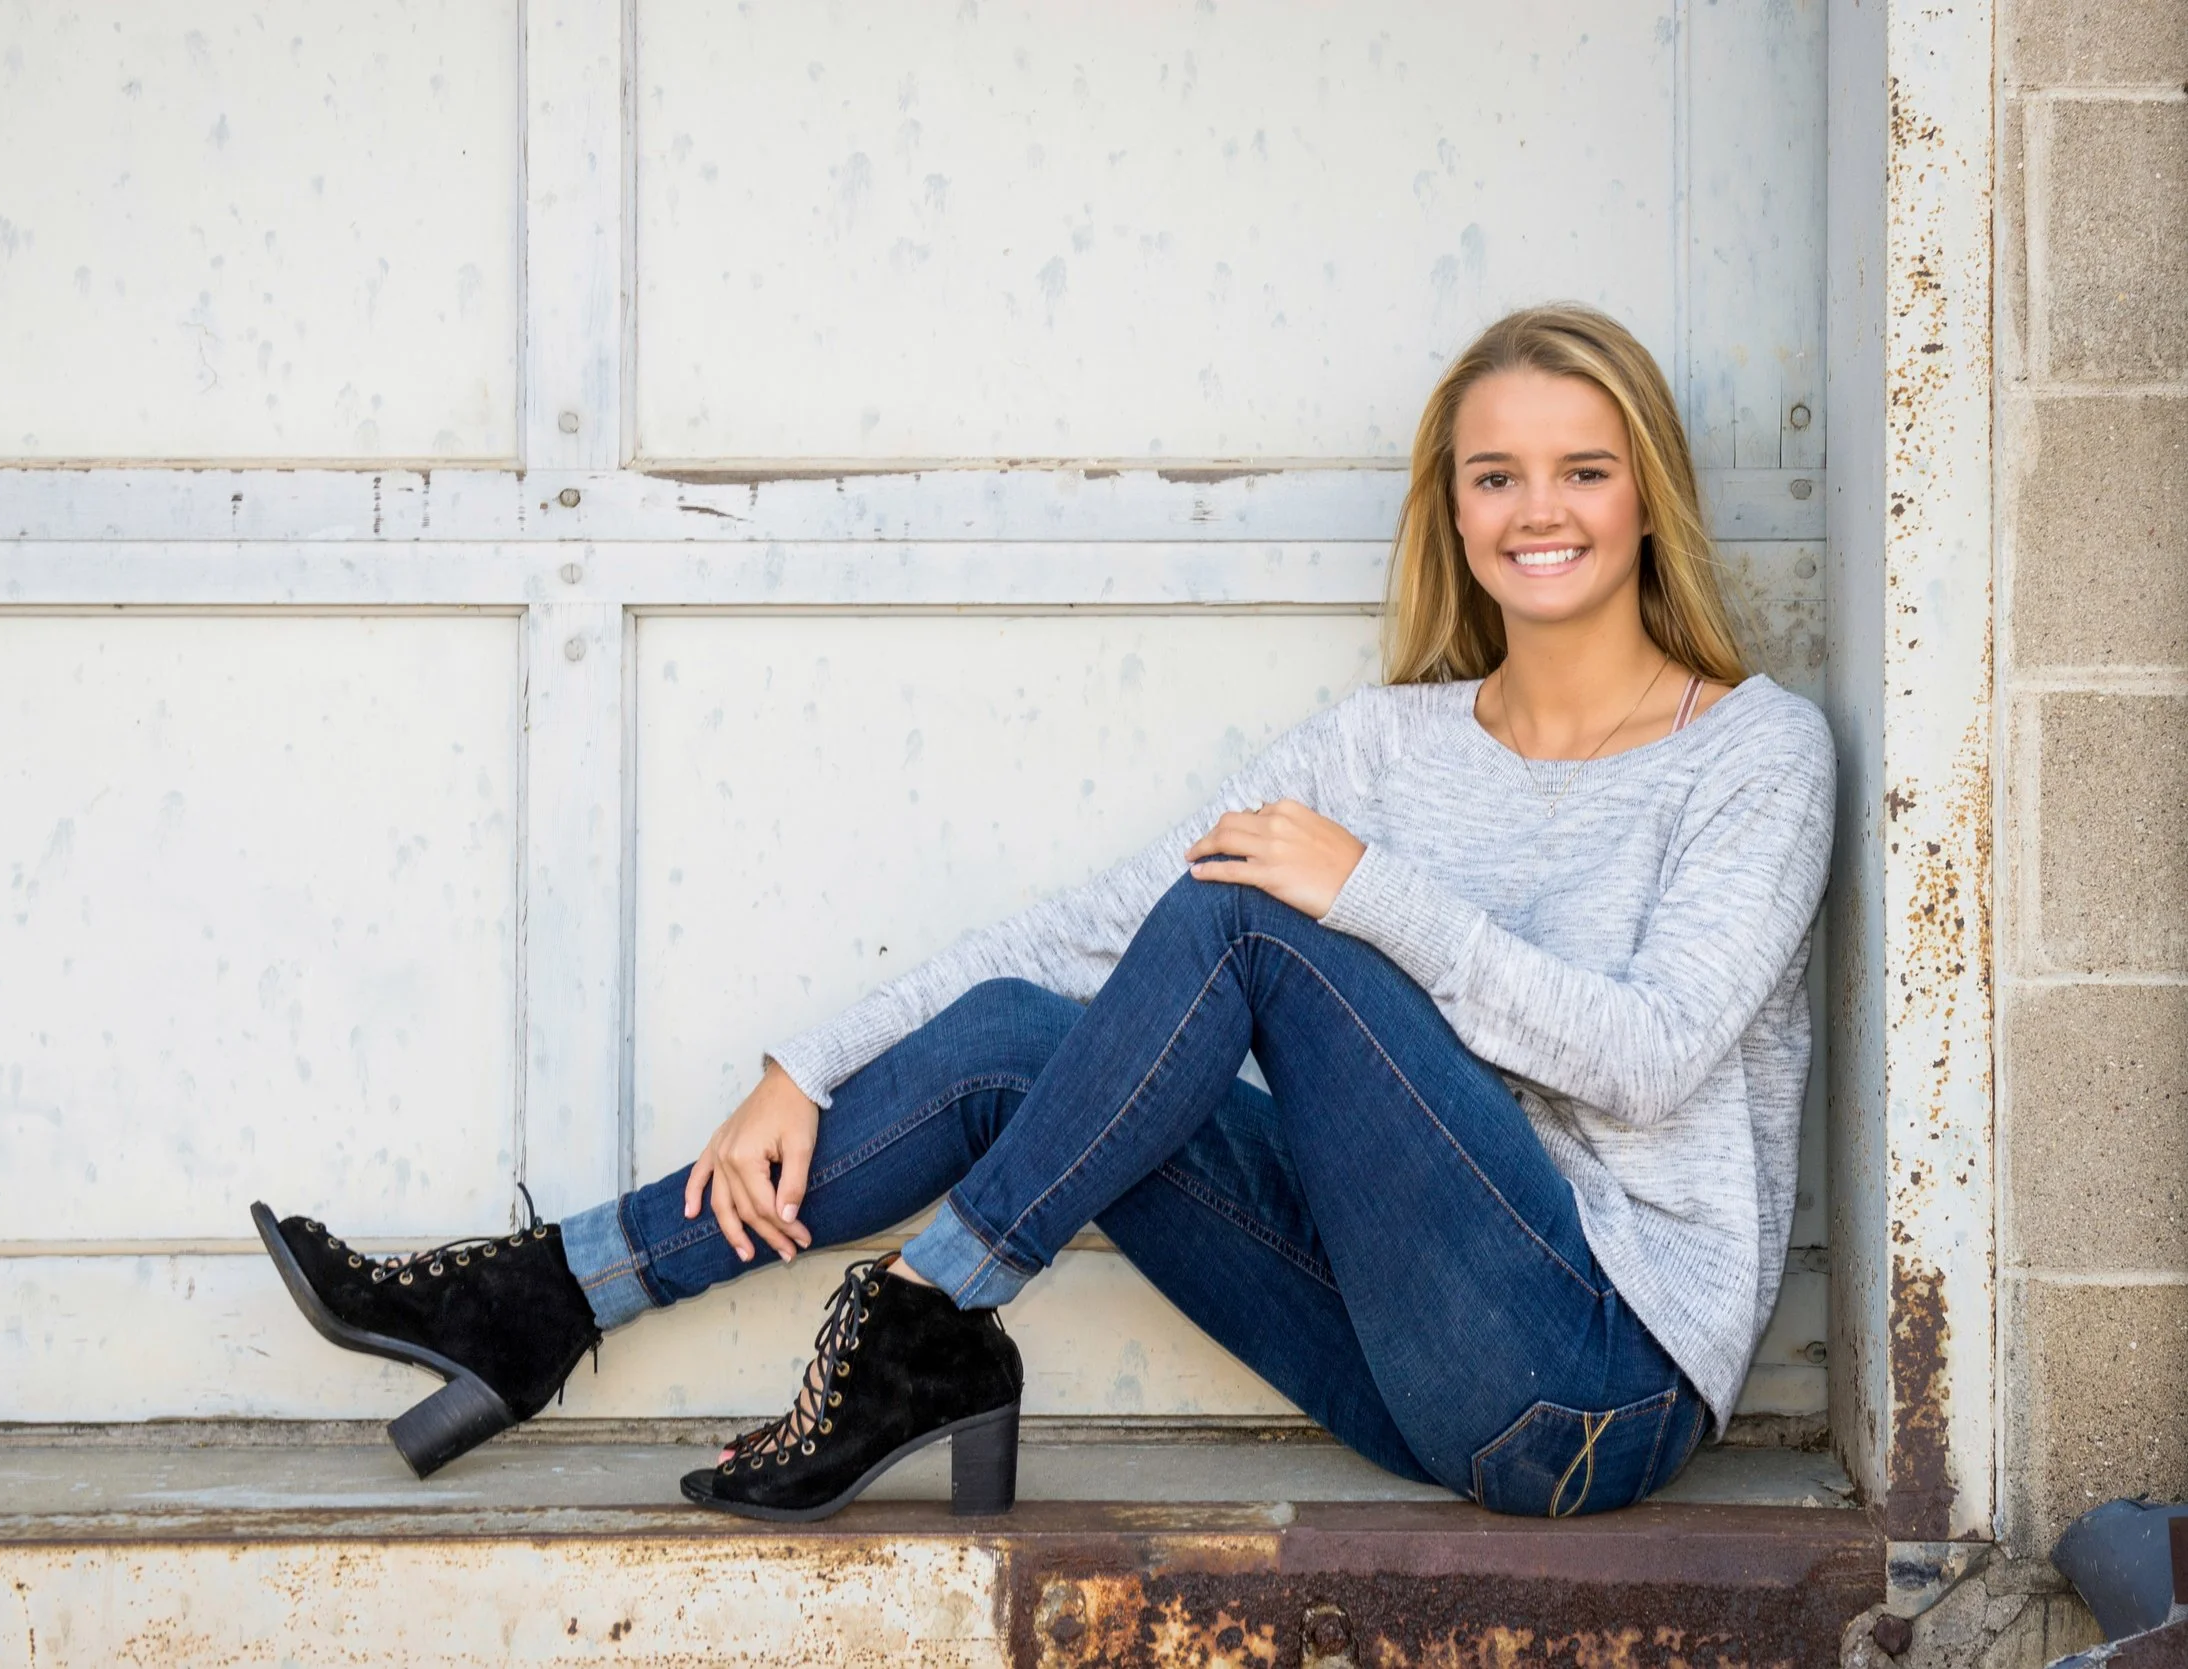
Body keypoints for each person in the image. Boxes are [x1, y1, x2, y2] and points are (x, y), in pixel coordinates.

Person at [253, 303, 1836, 1524]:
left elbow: (1648, 1059)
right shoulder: (1382, 747)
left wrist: (1370, 894)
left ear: (1648, 496)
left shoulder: (1755, 755)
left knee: (1249, 919)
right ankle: (548, 1299)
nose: (1539, 510)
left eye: (1583, 470)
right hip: (1400, 1371)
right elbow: (1097, 933)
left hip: (1596, 1393)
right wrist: (806, 1061)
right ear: (1456, 508)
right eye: (1497, 475)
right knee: (1029, 1033)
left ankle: (933, 1310)